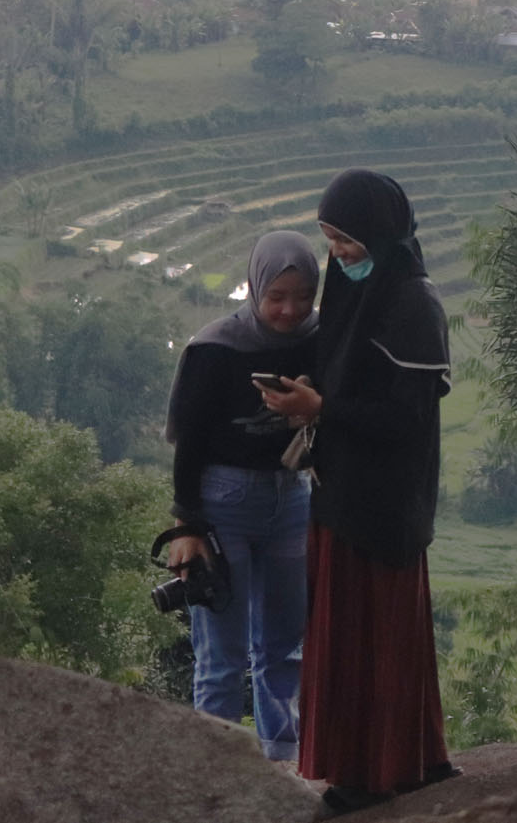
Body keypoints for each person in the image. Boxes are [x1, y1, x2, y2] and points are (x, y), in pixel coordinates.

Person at [259, 168, 456, 810]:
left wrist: (323, 409)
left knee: (374, 637)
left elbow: (405, 420)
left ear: (380, 232)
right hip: (344, 490)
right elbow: (342, 388)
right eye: (331, 239)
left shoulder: (412, 304)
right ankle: (400, 760)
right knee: (358, 635)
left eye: (348, 240)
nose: (340, 253)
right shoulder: (353, 291)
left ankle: (368, 775)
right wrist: (308, 405)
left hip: (385, 502)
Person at [164, 231, 322, 763]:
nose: (289, 310)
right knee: (222, 655)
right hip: (223, 501)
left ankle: (284, 764)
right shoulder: (216, 347)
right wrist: (187, 527)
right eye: (276, 297)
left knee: (286, 648)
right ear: (254, 288)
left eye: (302, 297)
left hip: (291, 496)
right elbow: (190, 441)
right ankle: (218, 772)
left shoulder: (321, 337)